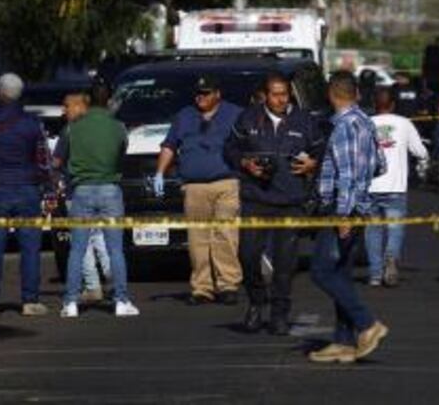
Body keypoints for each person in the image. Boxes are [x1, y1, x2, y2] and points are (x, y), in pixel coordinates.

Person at [225, 72, 324, 335]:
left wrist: (314, 164)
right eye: (275, 94)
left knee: (285, 263)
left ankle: (280, 313)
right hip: (256, 199)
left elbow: (322, 151)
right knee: (247, 256)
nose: (281, 99)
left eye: (285, 94)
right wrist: (245, 163)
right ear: (265, 95)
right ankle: (256, 303)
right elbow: (230, 150)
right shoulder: (248, 118)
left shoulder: (305, 121)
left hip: (291, 201)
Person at [308, 71, 389, 364]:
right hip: (359, 206)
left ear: (331, 95)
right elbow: (379, 165)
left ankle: (367, 324)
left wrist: (343, 212)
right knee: (340, 273)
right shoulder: (366, 122)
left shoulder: (344, 126)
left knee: (321, 271)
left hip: (345, 210)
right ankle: (343, 341)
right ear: (355, 93)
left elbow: (348, 173)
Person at [154, 75, 243, 305]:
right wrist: (160, 173)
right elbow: (169, 146)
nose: (200, 97)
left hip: (226, 183)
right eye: (198, 93)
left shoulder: (235, 114)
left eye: (206, 93)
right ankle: (202, 288)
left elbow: (248, 144)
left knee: (225, 235)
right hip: (194, 186)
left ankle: (228, 284)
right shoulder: (184, 116)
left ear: (217, 94)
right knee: (197, 239)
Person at [59, 78, 138, 318]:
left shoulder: (72, 127)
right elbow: (121, 152)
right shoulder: (118, 127)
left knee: (77, 250)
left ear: (89, 99)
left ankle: (70, 303)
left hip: (81, 189)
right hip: (110, 189)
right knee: (115, 250)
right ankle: (121, 300)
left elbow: (63, 155)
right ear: (110, 100)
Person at [0, 73, 50, 318]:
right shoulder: (32, 123)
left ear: (0, 92)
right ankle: (30, 301)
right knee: (30, 247)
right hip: (27, 188)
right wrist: (45, 185)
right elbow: (43, 159)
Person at [366, 87, 428, 287]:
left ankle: (375, 275)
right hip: (395, 187)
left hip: (370, 187)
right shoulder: (404, 123)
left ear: (375, 105)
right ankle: (391, 258)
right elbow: (420, 151)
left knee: (372, 231)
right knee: (395, 228)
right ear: (393, 104)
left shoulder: (366, 124)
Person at [53, 90, 110, 303]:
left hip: (78, 192)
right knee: (101, 237)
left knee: (83, 241)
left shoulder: (70, 131)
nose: (64, 110)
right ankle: (113, 275)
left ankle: (93, 287)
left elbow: (57, 162)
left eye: (67, 106)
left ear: (79, 107)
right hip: (105, 190)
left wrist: (53, 176)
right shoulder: (105, 128)